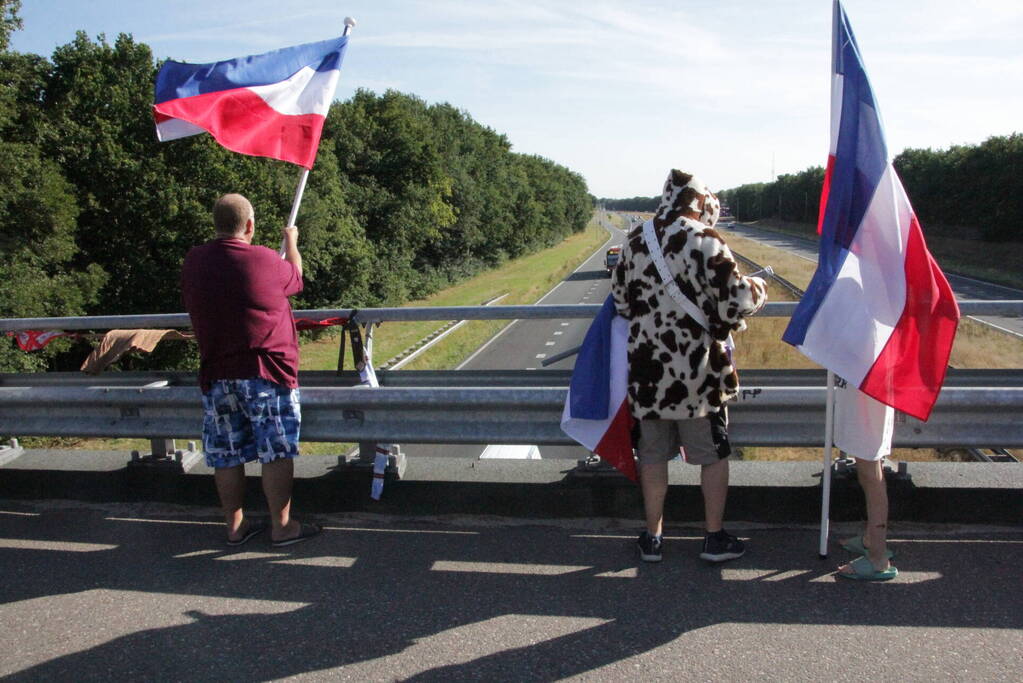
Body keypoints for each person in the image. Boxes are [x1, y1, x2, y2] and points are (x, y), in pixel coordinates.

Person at [611, 170, 767, 563]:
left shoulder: (634, 239)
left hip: (647, 375)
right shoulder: (705, 238)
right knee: (712, 456)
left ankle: (653, 538)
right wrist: (759, 288)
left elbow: (622, 304)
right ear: (700, 203)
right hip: (699, 376)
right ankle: (713, 538)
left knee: (652, 458)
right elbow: (736, 301)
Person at [181, 193, 321, 547]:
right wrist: (291, 241)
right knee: (276, 451)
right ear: (249, 226)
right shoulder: (264, 259)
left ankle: (235, 526)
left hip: (217, 373)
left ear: (216, 224)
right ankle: (282, 527)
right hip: (265, 372)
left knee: (226, 454)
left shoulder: (195, 261)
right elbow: (296, 278)